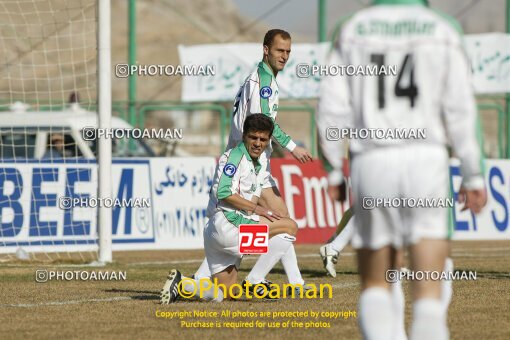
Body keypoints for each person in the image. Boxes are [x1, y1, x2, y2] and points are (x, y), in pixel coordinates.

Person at [317, 1, 487, 339]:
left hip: (372, 159)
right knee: (429, 293)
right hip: (426, 159)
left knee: (377, 284)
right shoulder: (441, 28)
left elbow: (332, 108)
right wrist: (473, 174)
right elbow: (461, 110)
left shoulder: (352, 28)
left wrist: (334, 167)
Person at [182, 29, 313, 295]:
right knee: (279, 221)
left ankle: (196, 282)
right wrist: (292, 147)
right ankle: (274, 281)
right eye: (279, 51)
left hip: (247, 161)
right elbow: (265, 125)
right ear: (266, 50)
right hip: (249, 164)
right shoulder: (263, 82)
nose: (284, 56)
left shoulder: (258, 78)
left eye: (288, 51)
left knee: (256, 226)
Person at [161, 114, 299, 303]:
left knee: (225, 295)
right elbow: (224, 192)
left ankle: (184, 284)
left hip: (218, 233)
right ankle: (255, 280)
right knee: (289, 226)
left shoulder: (256, 163)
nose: (258, 143)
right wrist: (258, 209)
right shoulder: (235, 157)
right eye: (253, 137)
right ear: (244, 136)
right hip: (229, 226)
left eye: (263, 139)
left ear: (268, 141)